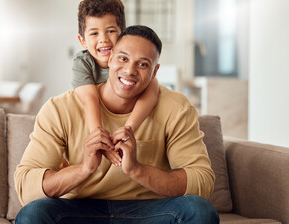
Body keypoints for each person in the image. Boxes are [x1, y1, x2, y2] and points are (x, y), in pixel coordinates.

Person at [15, 25, 219, 224]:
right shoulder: (59, 109)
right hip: (79, 211)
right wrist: (84, 169)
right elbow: (26, 187)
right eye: (123, 58)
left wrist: (137, 170)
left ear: (155, 72)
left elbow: (201, 181)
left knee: (199, 210)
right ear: (110, 58)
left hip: (151, 210)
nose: (130, 70)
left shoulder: (177, 108)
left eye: (143, 64)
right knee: (33, 214)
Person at [72, 0, 159, 136]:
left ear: (123, 35)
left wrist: (129, 128)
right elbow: (90, 99)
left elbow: (152, 90)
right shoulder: (82, 63)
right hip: (96, 124)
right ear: (83, 41)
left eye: (111, 31)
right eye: (94, 34)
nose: (103, 39)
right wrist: (96, 133)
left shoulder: (132, 65)